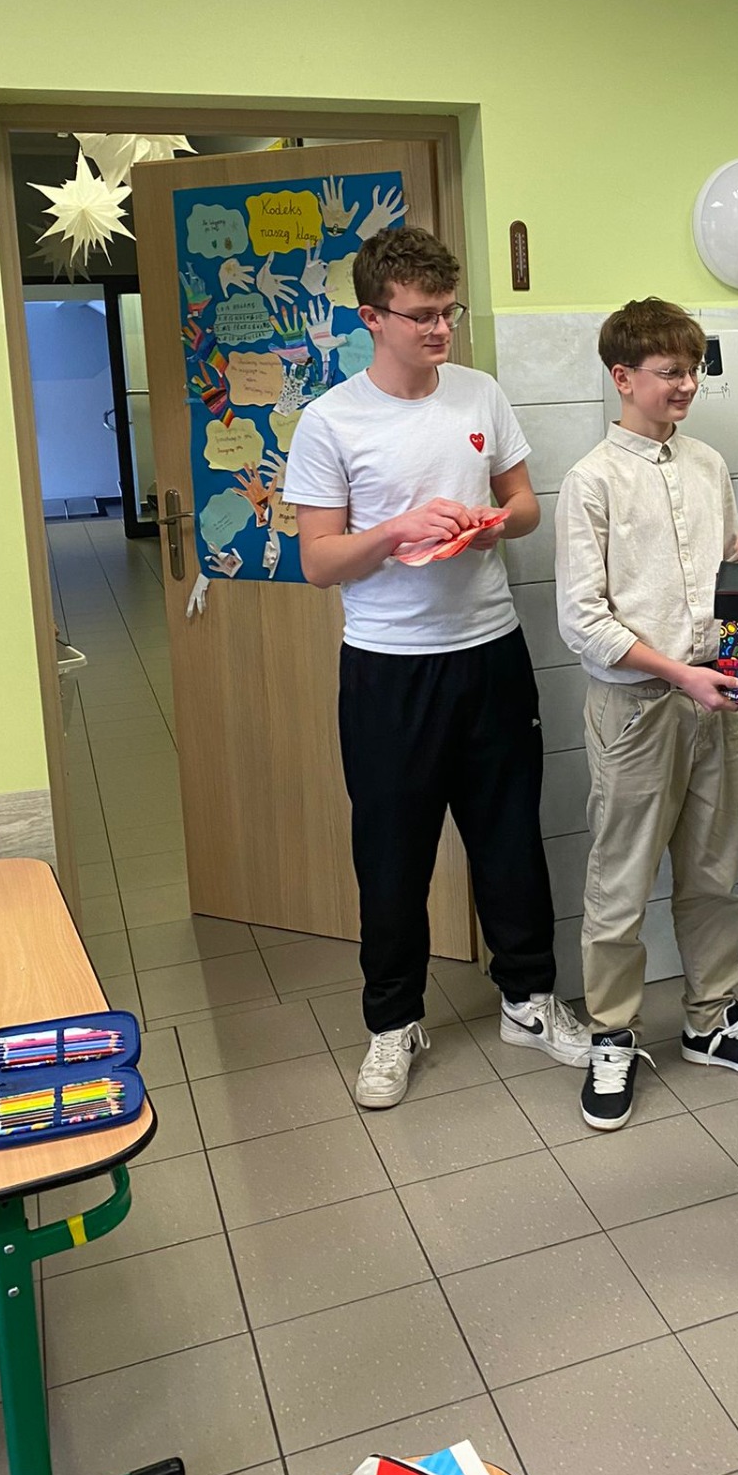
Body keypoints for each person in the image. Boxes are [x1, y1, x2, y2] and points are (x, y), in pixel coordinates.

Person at [286, 225, 587, 1109]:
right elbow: (318, 562)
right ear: (372, 317)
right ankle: (393, 1024)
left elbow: (525, 505)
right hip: (389, 669)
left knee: (510, 837)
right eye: (421, 315)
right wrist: (394, 532)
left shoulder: (480, 393)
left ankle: (529, 999)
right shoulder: (332, 420)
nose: (440, 329)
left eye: (447, 311)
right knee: (393, 855)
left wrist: (493, 525)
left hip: (490, 652)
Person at [555, 297, 738, 1131]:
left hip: (714, 700)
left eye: (693, 370)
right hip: (637, 707)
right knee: (620, 881)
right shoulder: (592, 481)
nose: (687, 385)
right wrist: (677, 674)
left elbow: (729, 588)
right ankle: (612, 1034)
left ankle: (711, 1016)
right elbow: (583, 621)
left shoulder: (707, 466)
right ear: (623, 377)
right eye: (669, 372)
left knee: (712, 871)